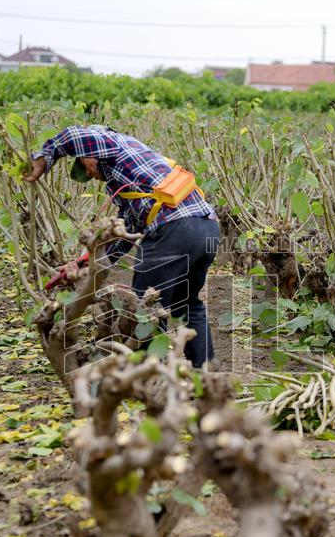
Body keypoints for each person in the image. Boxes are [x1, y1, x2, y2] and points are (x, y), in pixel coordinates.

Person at [23, 125, 220, 367]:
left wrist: (43, 157)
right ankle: (206, 375)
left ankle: (147, 378)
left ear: (90, 154)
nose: (92, 175)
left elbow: (75, 135)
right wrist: (85, 263)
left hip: (175, 229)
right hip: (206, 228)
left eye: (86, 168)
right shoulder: (131, 179)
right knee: (187, 304)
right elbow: (126, 234)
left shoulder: (115, 144)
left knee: (142, 309)